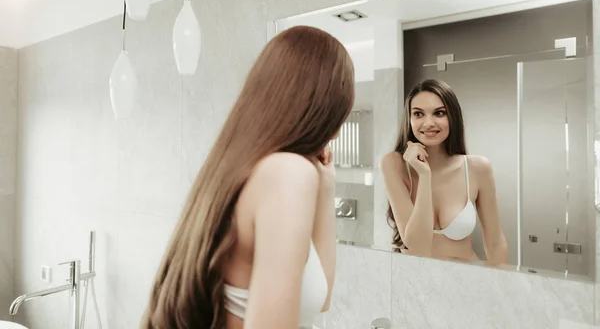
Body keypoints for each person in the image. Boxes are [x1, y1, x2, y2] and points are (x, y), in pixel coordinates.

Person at [141, 25, 355, 329]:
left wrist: (326, 186)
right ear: (328, 108)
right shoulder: (287, 174)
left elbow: (319, 301)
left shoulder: (246, 170)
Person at [382, 79, 507, 265]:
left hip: (463, 281)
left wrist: (502, 287)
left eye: (439, 113)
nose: (429, 123)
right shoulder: (394, 164)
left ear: (453, 117)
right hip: (413, 283)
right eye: (418, 114)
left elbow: (495, 243)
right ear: (409, 119)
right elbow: (418, 246)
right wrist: (424, 176)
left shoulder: (478, 168)